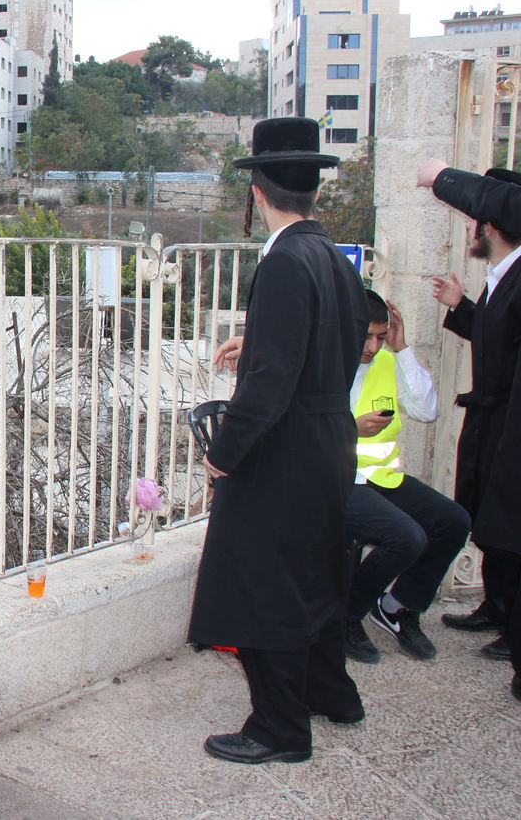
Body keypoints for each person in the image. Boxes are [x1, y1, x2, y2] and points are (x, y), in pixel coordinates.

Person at [190, 117, 369, 765]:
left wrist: (223, 453)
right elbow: (331, 346)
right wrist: (259, 343)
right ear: (312, 190)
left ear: (257, 189)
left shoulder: (286, 260)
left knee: (262, 583)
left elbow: (268, 386)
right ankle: (333, 692)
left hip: (284, 449)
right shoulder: (331, 256)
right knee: (316, 572)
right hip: (327, 441)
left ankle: (280, 727)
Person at [418, 160, 521, 696]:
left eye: (473, 220)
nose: (468, 230)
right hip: (494, 416)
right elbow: (501, 334)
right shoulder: (505, 276)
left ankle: (510, 619)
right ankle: (498, 607)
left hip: (506, 422)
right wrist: (463, 307)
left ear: (491, 224)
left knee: (507, 519)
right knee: (489, 516)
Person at [340, 290, 470, 664]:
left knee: (453, 521)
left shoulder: (387, 360)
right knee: (407, 538)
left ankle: (397, 607)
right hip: (339, 478)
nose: (373, 346)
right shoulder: (326, 362)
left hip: (381, 477)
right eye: (366, 336)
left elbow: (427, 411)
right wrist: (352, 428)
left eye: (381, 336)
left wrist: (402, 349)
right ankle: (347, 615)